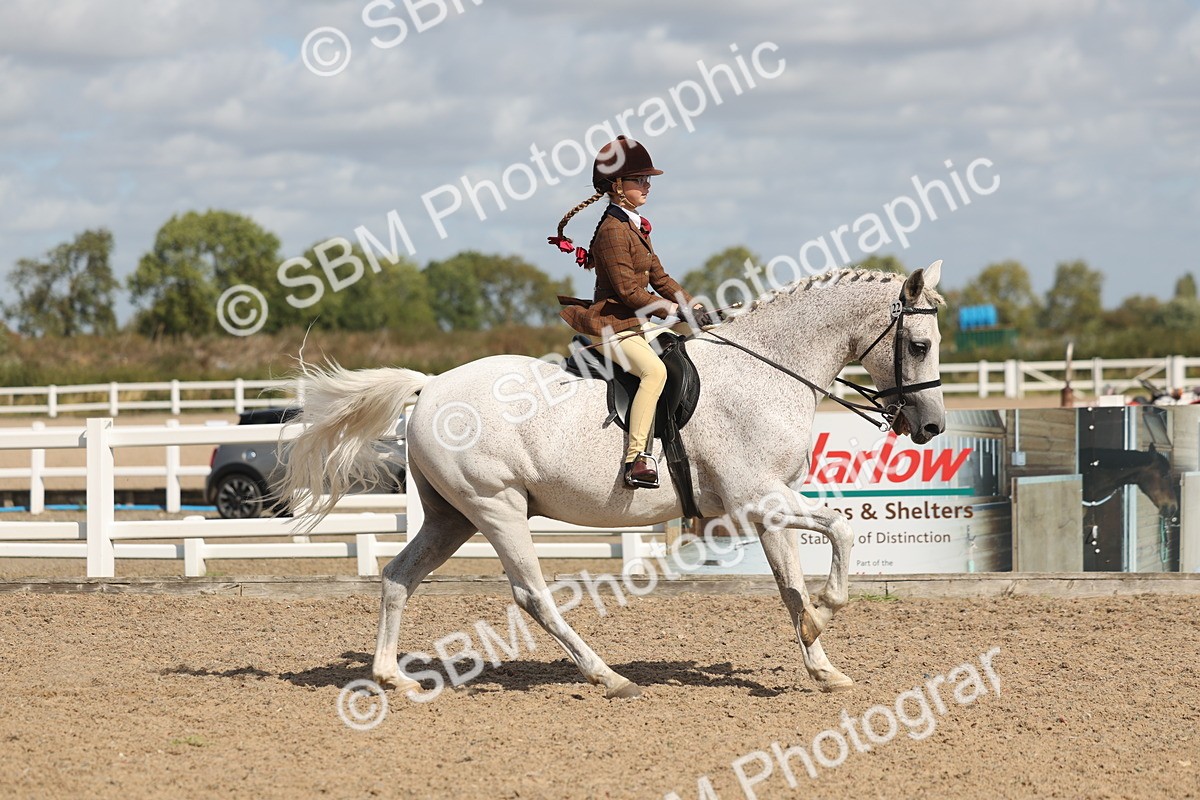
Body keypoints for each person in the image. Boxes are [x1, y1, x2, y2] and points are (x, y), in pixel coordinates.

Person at [549, 136, 714, 490]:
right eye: (640, 180)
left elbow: (659, 276)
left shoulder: (634, 225)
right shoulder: (611, 230)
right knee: (653, 372)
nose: (647, 186)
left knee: (686, 351)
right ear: (617, 186)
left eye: (647, 179)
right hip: (613, 326)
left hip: (638, 324)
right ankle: (636, 459)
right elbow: (628, 291)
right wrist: (671, 308)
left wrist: (692, 304)